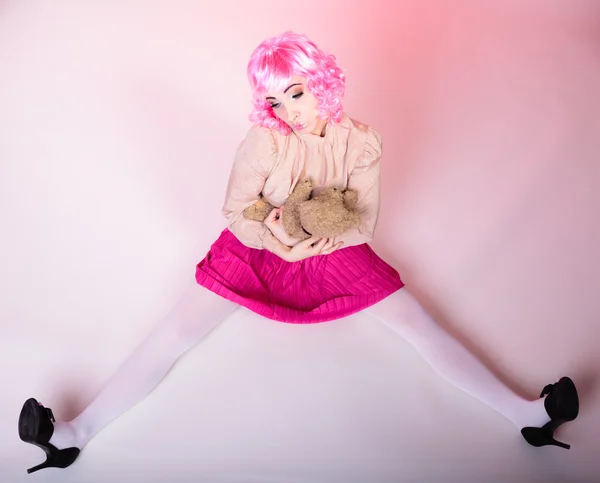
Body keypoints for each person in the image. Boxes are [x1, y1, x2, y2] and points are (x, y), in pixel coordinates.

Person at [18, 31, 579, 474]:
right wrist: (279, 236)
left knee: (420, 325)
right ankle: (72, 436)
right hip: (255, 248)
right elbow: (239, 210)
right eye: (273, 99)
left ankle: (530, 415)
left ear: (321, 83)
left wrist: (318, 238)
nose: (288, 109)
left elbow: (363, 218)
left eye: (296, 92)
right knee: (176, 334)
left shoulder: (361, 141)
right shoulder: (264, 141)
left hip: (335, 250)